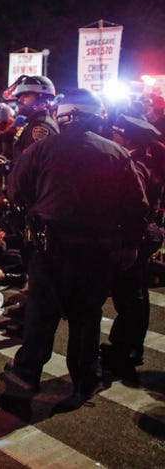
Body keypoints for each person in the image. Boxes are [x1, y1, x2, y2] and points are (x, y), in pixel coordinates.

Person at [1, 89, 148, 406]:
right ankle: (85, 379)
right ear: (96, 117)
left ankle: (26, 374)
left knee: (41, 315)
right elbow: (136, 206)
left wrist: (34, 214)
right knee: (86, 317)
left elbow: (16, 191)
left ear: (64, 117)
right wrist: (130, 245)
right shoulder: (116, 153)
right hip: (96, 251)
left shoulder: (40, 149)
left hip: (49, 248)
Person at [102, 115, 165, 380]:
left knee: (129, 296)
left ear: (125, 137)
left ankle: (124, 352)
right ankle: (129, 347)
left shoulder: (135, 164)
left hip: (133, 235)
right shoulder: (150, 159)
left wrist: (128, 243)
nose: (113, 137)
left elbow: (131, 206)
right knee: (137, 292)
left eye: (117, 133)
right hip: (147, 232)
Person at [5, 75, 59, 158]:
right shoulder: (31, 123)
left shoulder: (41, 127)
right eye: (20, 96)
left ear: (41, 99)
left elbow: (32, 166)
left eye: (26, 95)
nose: (20, 100)